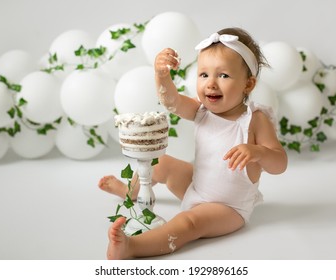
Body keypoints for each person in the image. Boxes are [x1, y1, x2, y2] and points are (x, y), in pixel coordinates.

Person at [99, 27, 288, 260]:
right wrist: (161, 75)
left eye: (224, 76)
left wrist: (258, 152)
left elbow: (279, 164)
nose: (211, 84)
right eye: (204, 75)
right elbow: (172, 102)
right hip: (197, 187)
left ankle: (132, 247)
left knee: (189, 222)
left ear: (248, 85)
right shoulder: (202, 111)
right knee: (160, 162)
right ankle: (130, 191)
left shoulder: (255, 120)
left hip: (228, 207)